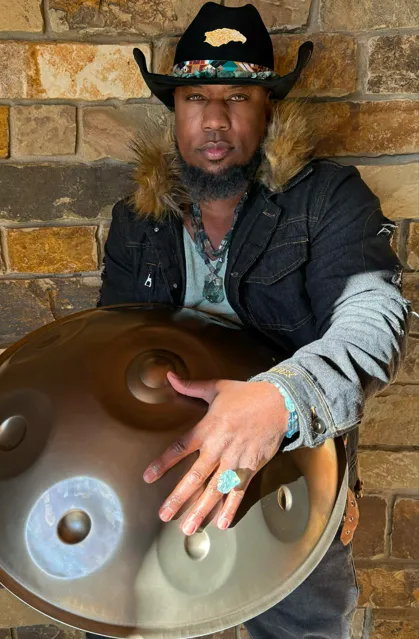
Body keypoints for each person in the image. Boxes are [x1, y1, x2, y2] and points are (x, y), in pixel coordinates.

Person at [91, 3, 410, 637]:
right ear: (175, 110)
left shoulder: (328, 198)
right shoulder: (137, 218)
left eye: (237, 97)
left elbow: (374, 320)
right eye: (195, 98)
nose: (215, 119)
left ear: (268, 109)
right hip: (162, 473)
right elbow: (109, 339)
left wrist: (280, 399)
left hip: (290, 478)